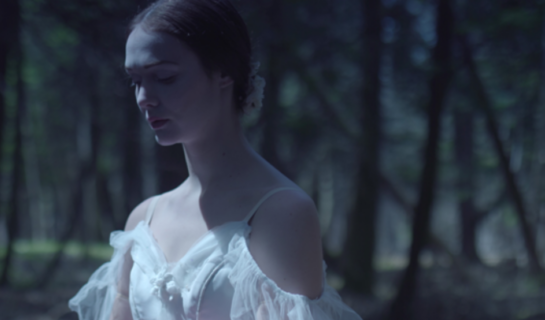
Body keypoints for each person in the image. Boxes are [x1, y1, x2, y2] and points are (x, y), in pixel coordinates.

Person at [68, 0, 363, 319]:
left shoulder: (281, 213)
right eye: (135, 81)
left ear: (223, 71)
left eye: (164, 77)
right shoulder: (143, 219)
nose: (143, 98)